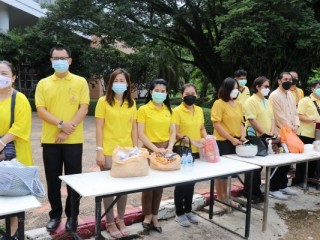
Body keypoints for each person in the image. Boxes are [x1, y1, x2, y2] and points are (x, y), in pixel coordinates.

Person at [35, 45, 90, 232]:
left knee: (74, 180)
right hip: (50, 140)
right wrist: (60, 124)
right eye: (55, 58)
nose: (59, 61)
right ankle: (55, 214)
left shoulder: (80, 81)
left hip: (73, 141)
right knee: (53, 180)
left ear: (70, 60)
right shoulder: (43, 83)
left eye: (63, 58)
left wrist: (67, 130)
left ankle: (72, 215)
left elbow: (84, 108)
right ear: (50, 61)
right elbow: (41, 110)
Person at [95, 69, 137, 238]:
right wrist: (99, 151)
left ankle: (121, 219)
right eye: (116, 81)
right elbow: (98, 127)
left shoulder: (132, 103)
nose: (120, 83)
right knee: (109, 189)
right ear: (111, 83)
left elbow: (134, 128)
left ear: (127, 84)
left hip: (126, 152)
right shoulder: (103, 101)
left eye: (123, 81)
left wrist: (135, 149)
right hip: (108, 151)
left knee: (123, 188)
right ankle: (110, 222)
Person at [137, 79, 176, 235]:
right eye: (157, 90)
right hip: (149, 149)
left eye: (163, 91)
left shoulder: (168, 110)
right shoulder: (143, 109)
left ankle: (155, 216)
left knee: (159, 185)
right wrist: (155, 150)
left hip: (165, 150)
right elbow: (141, 133)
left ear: (166, 94)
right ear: (151, 92)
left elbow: (173, 132)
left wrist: (169, 148)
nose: (160, 93)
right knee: (148, 186)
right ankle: (147, 215)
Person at [0, 60, 33, 239]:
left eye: (4, 73)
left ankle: (13, 234)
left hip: (16, 158)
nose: (0, 77)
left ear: (13, 78)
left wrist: (2, 143)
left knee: (14, 200)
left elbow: (21, 126)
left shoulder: (19, 99)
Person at [172, 83, 207, 227]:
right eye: (187, 93)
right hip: (183, 150)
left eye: (193, 93)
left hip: (196, 151)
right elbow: (176, 132)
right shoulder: (177, 111)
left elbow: (202, 128)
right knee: (181, 183)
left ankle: (188, 210)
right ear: (182, 95)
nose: (190, 96)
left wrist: (206, 138)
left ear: (196, 95)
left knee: (191, 182)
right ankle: (179, 213)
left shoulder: (198, 110)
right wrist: (191, 141)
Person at [211, 77, 246, 211]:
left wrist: (242, 137)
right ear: (226, 89)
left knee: (230, 172)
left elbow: (242, 122)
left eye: (237, 89)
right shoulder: (219, 103)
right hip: (223, 141)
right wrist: (231, 139)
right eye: (233, 89)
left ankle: (226, 197)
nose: (236, 91)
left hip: (236, 141)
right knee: (221, 173)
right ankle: (220, 198)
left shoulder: (239, 105)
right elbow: (217, 124)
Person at [243, 76, 275, 203]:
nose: (268, 89)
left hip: (265, 137)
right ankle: (249, 192)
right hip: (254, 136)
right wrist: (263, 132)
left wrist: (271, 133)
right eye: (265, 86)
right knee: (253, 167)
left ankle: (255, 190)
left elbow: (272, 118)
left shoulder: (267, 101)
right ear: (257, 87)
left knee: (259, 167)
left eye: (268, 87)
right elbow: (251, 119)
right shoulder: (251, 101)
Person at [268, 72, 299, 200]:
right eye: (285, 79)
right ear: (279, 81)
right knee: (277, 160)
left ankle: (283, 185)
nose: (288, 81)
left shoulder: (291, 95)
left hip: (291, 132)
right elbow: (279, 116)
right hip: (279, 132)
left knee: (287, 160)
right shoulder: (274, 95)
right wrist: (290, 128)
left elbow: (295, 112)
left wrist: (296, 125)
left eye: (290, 79)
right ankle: (273, 188)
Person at [295, 80, 320, 188]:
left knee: (314, 159)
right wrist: (314, 119)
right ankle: (299, 180)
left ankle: (310, 179)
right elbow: (299, 115)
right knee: (303, 159)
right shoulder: (305, 100)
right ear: (312, 89)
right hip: (305, 133)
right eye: (319, 87)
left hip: (317, 134)